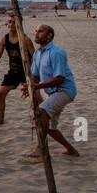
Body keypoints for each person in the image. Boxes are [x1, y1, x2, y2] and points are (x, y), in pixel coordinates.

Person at [25, 24, 80, 159]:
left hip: (65, 90)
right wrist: (29, 86)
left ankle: (41, 148)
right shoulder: (38, 53)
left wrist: (37, 87)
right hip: (53, 93)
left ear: (49, 35)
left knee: (42, 113)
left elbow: (60, 78)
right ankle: (71, 150)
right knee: (49, 127)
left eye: (41, 31)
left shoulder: (56, 52)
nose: (36, 34)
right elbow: (35, 76)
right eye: (36, 31)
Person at [0, 14, 33, 124]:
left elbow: (35, 57)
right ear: (7, 24)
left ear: (19, 24)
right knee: (0, 94)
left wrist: (33, 74)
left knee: (34, 98)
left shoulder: (25, 39)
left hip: (26, 72)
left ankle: (40, 117)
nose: (12, 24)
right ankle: (1, 120)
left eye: (14, 22)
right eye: (10, 22)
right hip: (13, 72)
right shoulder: (4, 39)